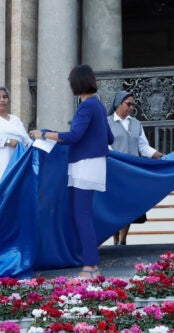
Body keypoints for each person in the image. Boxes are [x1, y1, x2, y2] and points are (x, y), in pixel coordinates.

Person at [31, 64, 114, 279]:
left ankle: (90, 266)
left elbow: (75, 135)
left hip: (85, 164)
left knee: (82, 215)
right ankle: (91, 265)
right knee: (82, 214)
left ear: (77, 83)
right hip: (93, 164)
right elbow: (110, 138)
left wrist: (45, 134)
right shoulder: (99, 106)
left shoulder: (86, 107)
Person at [108, 90, 164, 246]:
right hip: (114, 171)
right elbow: (106, 147)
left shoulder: (136, 124)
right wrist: (117, 160)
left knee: (128, 205)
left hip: (131, 171)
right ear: (119, 104)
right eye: (129, 104)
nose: (131, 107)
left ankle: (122, 240)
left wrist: (161, 156)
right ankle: (115, 239)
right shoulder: (107, 123)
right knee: (114, 206)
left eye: (133, 104)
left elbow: (144, 147)